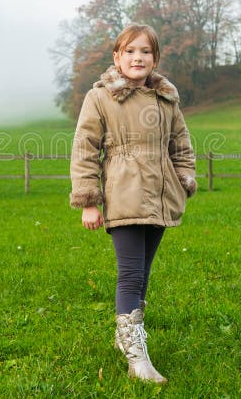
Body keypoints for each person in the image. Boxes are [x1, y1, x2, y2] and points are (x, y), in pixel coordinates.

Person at [70, 23, 196, 384]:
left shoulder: (165, 99)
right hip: (123, 195)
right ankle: (136, 357)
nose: (137, 57)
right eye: (130, 51)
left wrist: (183, 180)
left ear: (154, 59)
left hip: (159, 197)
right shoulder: (100, 98)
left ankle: (124, 336)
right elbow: (84, 150)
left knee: (143, 276)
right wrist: (88, 200)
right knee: (129, 274)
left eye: (145, 52)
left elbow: (181, 144)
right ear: (117, 56)